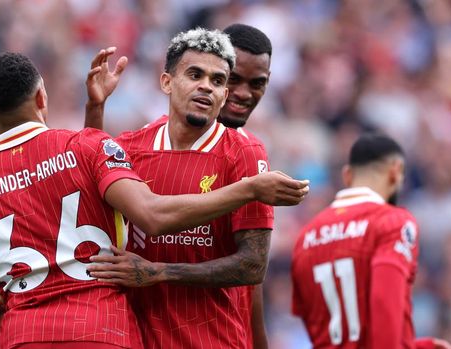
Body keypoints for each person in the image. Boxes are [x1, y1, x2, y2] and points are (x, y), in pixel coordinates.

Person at [0, 52, 308, 349]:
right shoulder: (84, 147)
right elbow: (151, 213)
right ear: (41, 98)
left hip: (24, 335)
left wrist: (95, 108)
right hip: (99, 326)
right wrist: (250, 189)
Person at [83, 27, 309, 348]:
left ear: (223, 95)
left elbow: (252, 265)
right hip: (139, 337)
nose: (206, 86)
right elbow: (93, 176)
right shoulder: (131, 147)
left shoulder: (244, 153)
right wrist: (95, 109)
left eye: (217, 81)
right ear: (167, 82)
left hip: (212, 339)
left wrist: (160, 272)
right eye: (195, 75)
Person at [290, 134, 451, 349]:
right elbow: (385, 302)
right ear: (395, 172)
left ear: (347, 176)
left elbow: (329, 326)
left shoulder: (305, 237)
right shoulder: (392, 222)